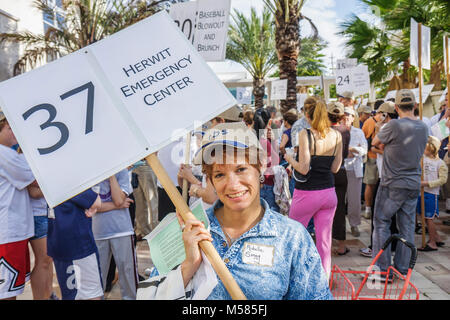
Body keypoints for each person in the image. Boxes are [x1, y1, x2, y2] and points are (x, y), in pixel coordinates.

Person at [137, 122, 333, 300]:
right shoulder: (186, 231)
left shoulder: (291, 237)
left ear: (260, 166)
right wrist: (188, 266)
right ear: (211, 180)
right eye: (220, 174)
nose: (232, 185)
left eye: (241, 169)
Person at [371, 89, 428, 278]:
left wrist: (380, 127)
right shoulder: (423, 126)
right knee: (407, 226)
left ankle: (383, 269)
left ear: (396, 107)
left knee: (381, 222)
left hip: (392, 183)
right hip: (413, 183)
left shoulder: (394, 125)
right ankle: (402, 268)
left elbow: (375, 141)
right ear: (415, 106)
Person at [285, 97, 343, 277]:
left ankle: (295, 279)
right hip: (329, 193)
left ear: (307, 116)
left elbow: (303, 167)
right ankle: (323, 282)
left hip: (307, 194)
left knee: (294, 239)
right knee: (324, 242)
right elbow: (335, 168)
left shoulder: (306, 134)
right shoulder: (337, 135)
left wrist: (288, 159)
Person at [0, 110, 37, 300]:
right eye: (9, 128)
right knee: (7, 291)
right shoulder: (3, 153)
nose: (14, 131)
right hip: (8, 230)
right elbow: (35, 178)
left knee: (11, 288)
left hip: (12, 230)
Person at [47, 188, 103, 300]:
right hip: (78, 244)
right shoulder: (69, 178)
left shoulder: (51, 176)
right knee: (90, 294)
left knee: (72, 294)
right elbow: (96, 202)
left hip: (60, 241)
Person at [359, 101, 398, 258]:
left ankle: (376, 247)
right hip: (396, 176)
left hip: (387, 177)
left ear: (385, 114)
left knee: (379, 216)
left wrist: (377, 128)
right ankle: (393, 246)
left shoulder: (387, 127)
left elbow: (376, 145)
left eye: (380, 113)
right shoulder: (402, 126)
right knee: (395, 216)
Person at [92, 170, 138, 300]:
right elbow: (92, 205)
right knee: (97, 280)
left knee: (128, 277)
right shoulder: (90, 170)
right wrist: (116, 205)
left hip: (122, 230)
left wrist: (111, 175)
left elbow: (118, 199)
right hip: (98, 232)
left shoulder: (121, 170)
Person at [416, 136, 448, 251]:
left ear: (432, 149)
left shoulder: (440, 163)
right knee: (424, 218)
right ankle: (437, 238)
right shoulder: (422, 159)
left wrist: (427, 183)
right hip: (421, 193)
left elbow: (442, 180)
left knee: (429, 218)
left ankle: (432, 242)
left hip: (431, 194)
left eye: (426, 148)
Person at [327, 102, 350, 256]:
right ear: (342, 116)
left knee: (325, 210)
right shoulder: (345, 130)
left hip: (327, 173)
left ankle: (326, 243)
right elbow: (346, 153)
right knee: (340, 208)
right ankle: (341, 245)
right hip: (341, 171)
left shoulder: (325, 131)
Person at [28, 183, 56, 300]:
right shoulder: (29, 164)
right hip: (37, 214)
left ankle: (49, 295)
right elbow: (34, 192)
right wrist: (57, 186)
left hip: (47, 212)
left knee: (48, 259)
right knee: (43, 260)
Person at [343, 107, 367, 238]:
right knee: (339, 200)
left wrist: (352, 149)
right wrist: (351, 151)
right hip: (340, 169)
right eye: (344, 115)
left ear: (353, 118)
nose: (346, 118)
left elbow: (364, 149)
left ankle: (354, 224)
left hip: (354, 169)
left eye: (349, 116)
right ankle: (339, 226)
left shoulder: (359, 132)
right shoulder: (336, 131)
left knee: (354, 200)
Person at [253, 108, 281, 213]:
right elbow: (276, 161)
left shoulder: (251, 138)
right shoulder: (264, 141)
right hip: (266, 185)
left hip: (256, 184)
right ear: (269, 122)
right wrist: (274, 141)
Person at [361, 102, 386, 219]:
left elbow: (363, 137)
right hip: (380, 157)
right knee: (376, 184)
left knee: (370, 184)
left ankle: (368, 209)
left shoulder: (369, 121)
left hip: (374, 155)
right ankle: (372, 209)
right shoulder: (392, 122)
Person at [133, 159, 159, 241]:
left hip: (146, 164)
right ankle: (144, 232)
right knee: (139, 203)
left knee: (152, 201)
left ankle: (156, 232)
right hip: (134, 166)